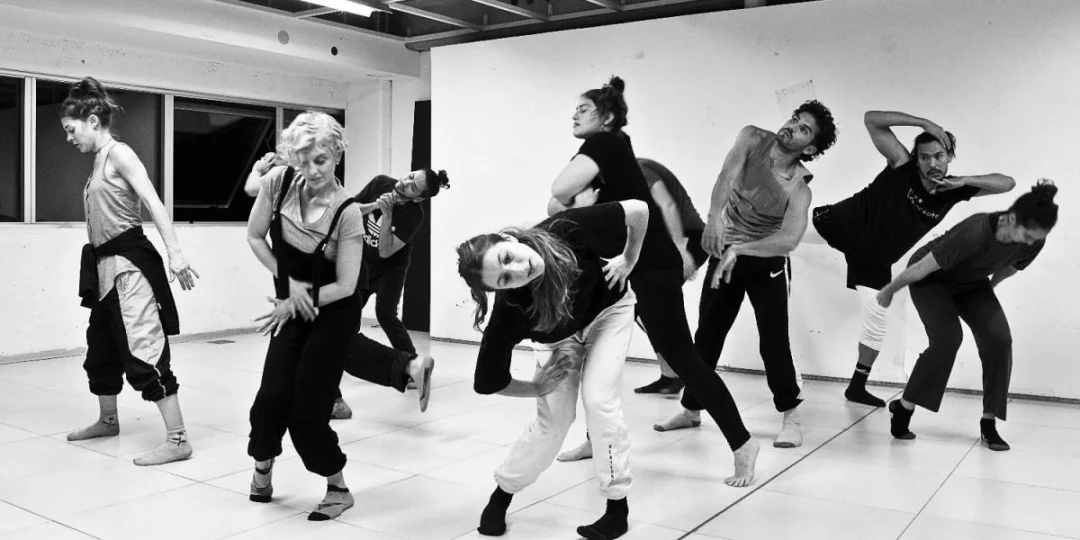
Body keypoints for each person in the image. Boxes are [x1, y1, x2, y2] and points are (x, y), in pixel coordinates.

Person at [548, 76, 760, 488]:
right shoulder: (607, 151)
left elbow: (560, 191)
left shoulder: (607, 144)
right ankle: (596, 439)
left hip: (650, 262)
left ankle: (743, 443)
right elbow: (554, 205)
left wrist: (577, 200)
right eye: (574, 109)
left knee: (682, 357)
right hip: (618, 265)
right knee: (592, 350)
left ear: (607, 118)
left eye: (584, 109)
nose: (574, 115)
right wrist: (575, 202)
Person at [458, 200, 648, 540]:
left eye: (507, 257)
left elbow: (638, 210)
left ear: (509, 238)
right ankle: (501, 497)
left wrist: (629, 258)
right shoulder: (511, 310)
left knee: (599, 402)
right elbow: (488, 382)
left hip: (609, 311)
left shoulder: (567, 230)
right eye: (505, 279)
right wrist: (538, 387)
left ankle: (617, 509)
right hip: (558, 338)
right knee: (554, 422)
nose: (519, 270)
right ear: (500, 290)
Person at [654, 101, 838, 449]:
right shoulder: (752, 138)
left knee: (773, 342)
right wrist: (714, 219)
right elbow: (726, 177)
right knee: (707, 335)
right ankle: (691, 409)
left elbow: (789, 239)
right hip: (726, 253)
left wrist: (740, 249)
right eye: (794, 119)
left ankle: (791, 417)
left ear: (810, 149)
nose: (792, 127)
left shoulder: (799, 188)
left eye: (803, 129)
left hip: (766, 261)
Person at [811, 111, 1015, 407]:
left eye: (939, 156)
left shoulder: (952, 191)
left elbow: (1008, 183)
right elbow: (871, 119)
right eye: (925, 157)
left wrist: (964, 181)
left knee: (877, 319)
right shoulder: (902, 165)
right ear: (916, 159)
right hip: (841, 224)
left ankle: (856, 387)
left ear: (949, 158)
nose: (932, 163)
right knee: (784, 234)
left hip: (872, 258)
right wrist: (923, 123)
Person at [65, 76, 199, 466]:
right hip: (104, 273)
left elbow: (153, 202)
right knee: (101, 349)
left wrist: (175, 254)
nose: (69, 138)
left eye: (71, 129)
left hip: (129, 271)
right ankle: (108, 420)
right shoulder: (98, 160)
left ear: (92, 121)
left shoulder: (119, 153)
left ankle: (178, 439)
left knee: (145, 349)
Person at [244, 111, 364, 521]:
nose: (312, 171)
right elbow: (255, 236)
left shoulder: (347, 211)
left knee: (307, 409)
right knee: (270, 399)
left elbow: (346, 285)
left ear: (337, 155)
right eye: (303, 160)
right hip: (291, 306)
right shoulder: (277, 183)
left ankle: (338, 489)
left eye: (321, 160)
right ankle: (262, 469)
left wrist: (300, 295)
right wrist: (289, 285)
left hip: (334, 312)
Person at [881, 180, 1057, 451]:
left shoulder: (1035, 241)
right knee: (948, 339)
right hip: (931, 278)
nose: (1032, 243)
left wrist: (988, 291)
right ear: (1011, 218)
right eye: (1028, 235)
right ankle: (903, 408)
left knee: (999, 339)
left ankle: (989, 422)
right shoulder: (975, 231)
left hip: (971, 282)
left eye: (1037, 238)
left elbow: (1011, 267)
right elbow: (922, 268)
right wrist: (890, 289)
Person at [557, 157, 708, 463]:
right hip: (653, 248)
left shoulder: (636, 170)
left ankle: (689, 393)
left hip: (685, 238)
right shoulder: (601, 188)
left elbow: (666, 205)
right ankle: (672, 378)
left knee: (662, 325)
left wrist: (680, 251)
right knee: (644, 314)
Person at [329, 169, 450, 419]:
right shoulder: (381, 183)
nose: (405, 183)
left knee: (385, 313)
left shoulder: (414, 216)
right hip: (363, 262)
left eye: (413, 187)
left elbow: (385, 251)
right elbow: (350, 211)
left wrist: (387, 215)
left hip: (391, 268)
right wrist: (376, 205)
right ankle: (345, 363)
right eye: (410, 176)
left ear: (418, 198)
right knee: (345, 318)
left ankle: (414, 366)